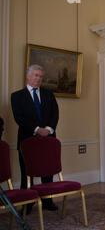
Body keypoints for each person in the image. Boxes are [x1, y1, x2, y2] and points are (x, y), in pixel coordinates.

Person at [11, 65, 59, 212]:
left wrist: (48, 130)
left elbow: (55, 114)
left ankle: (47, 201)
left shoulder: (48, 94)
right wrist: (37, 130)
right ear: (28, 76)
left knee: (48, 171)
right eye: (36, 75)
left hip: (48, 138)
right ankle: (27, 203)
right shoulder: (17, 96)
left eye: (41, 76)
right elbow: (19, 118)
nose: (39, 79)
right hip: (27, 139)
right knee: (26, 171)